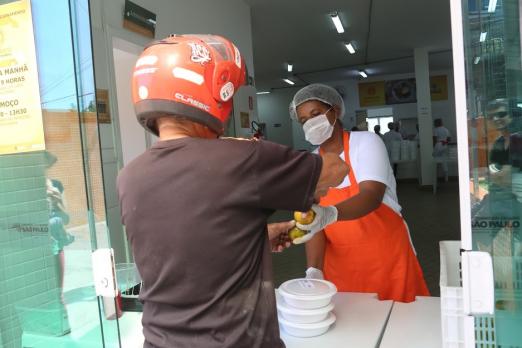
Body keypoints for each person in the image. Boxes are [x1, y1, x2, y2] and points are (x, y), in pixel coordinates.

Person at [117, 35, 347, 348]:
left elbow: (181, 245)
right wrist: (330, 130)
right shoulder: (242, 158)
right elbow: (335, 171)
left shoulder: (129, 176)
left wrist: (253, 235)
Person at [288, 83, 429, 303]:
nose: (310, 123)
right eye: (304, 120)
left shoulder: (365, 142)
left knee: (400, 325)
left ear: (334, 110)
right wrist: (314, 270)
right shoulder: (311, 163)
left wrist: (330, 214)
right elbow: (312, 222)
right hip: (340, 266)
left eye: (315, 114)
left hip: (386, 259)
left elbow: (371, 196)